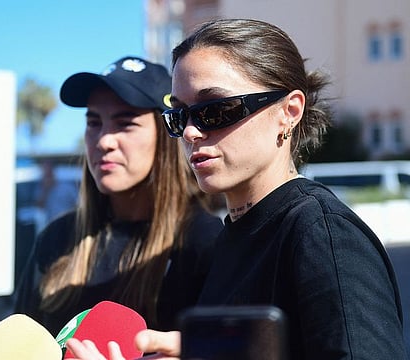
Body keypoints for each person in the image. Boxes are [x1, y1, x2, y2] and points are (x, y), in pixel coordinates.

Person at [65, 19, 407, 360]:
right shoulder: (233, 238)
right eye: (179, 116)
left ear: (289, 112)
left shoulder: (322, 232)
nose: (190, 133)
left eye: (214, 110)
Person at [13, 56, 223, 336]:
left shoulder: (202, 240)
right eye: (94, 122)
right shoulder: (57, 238)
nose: (103, 141)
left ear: (166, 135)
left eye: (125, 124)